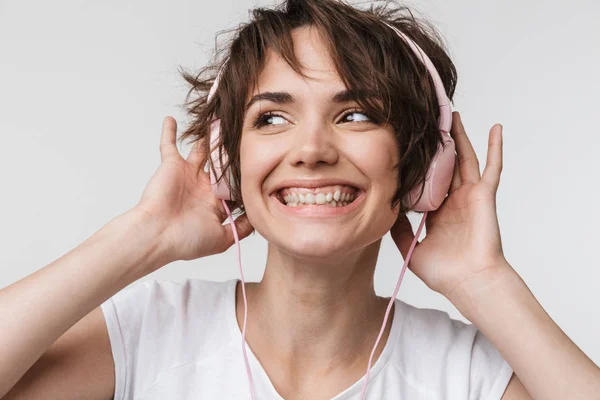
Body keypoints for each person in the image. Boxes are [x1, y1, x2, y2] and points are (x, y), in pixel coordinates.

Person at [1, 0, 599, 399]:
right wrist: (144, 235)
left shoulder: (466, 375)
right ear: (229, 164)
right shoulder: (149, 330)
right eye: (272, 118)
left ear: (422, 167)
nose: (311, 149)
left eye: (356, 114)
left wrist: (484, 280)